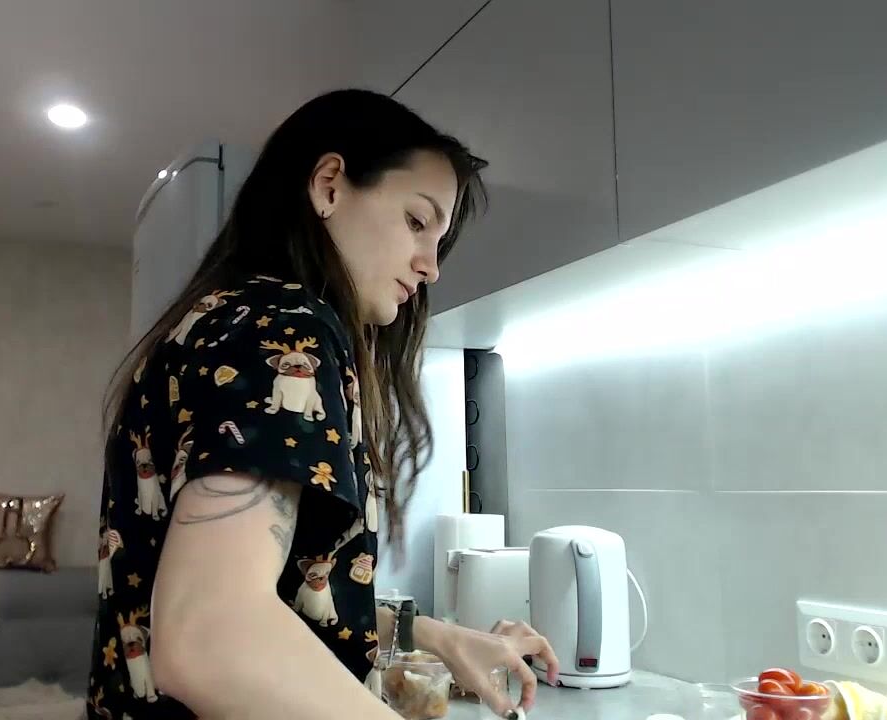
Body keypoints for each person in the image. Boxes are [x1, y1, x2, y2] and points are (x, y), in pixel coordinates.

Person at [88, 88, 559, 720]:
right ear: (329, 186)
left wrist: (435, 635)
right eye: (416, 222)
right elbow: (211, 637)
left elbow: (283, 593)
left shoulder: (232, 318)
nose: (431, 268)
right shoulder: (283, 329)